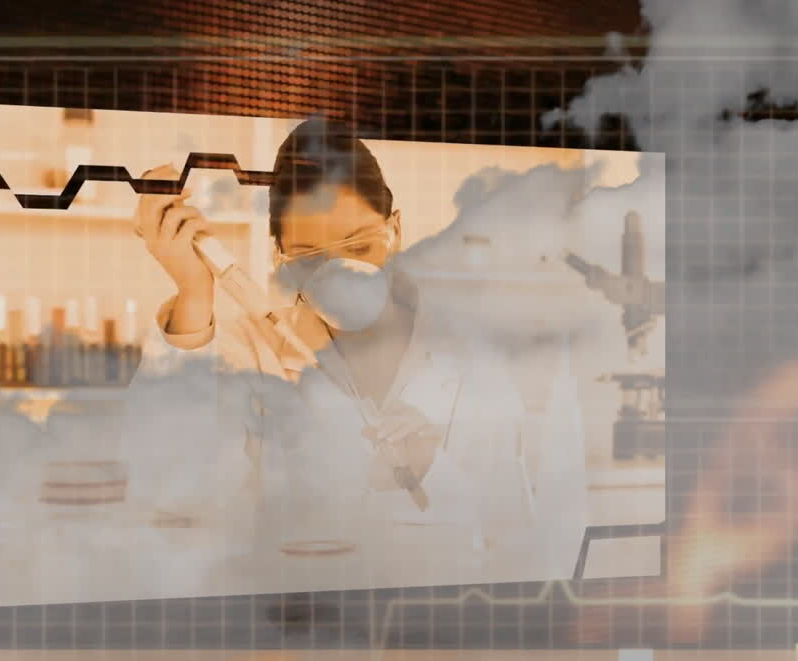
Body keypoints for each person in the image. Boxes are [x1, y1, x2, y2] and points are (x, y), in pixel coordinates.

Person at [128, 119, 589, 590]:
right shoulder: (249, 348)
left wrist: (437, 472)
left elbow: (517, 542)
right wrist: (192, 292)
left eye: (360, 246)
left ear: (396, 229)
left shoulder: (473, 355)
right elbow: (174, 496)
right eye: (308, 255)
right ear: (278, 255)